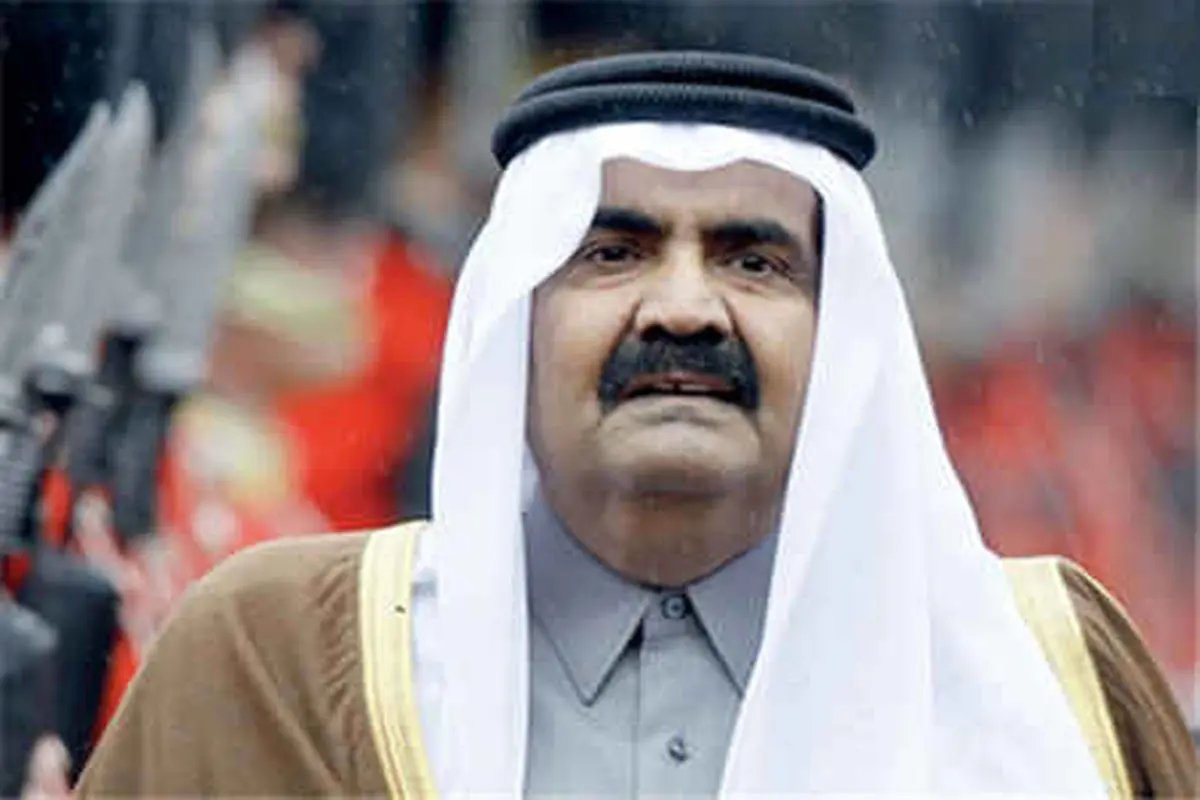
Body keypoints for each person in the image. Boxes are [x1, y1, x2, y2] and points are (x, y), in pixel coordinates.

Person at [76, 51, 1196, 797]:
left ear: (848, 336)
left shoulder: (1049, 673)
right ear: (515, 318)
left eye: (755, 262)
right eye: (611, 253)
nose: (684, 307)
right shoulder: (273, 658)